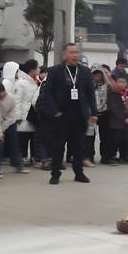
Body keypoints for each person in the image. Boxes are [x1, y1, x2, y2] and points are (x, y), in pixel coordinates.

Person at [43, 43, 97, 185]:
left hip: (80, 114)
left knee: (79, 145)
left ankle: (78, 173)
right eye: (71, 53)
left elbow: (90, 93)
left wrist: (94, 112)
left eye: (76, 53)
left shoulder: (85, 71)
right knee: (58, 145)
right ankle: (55, 173)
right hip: (62, 114)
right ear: (64, 55)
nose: (75, 55)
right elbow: (47, 92)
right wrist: (54, 110)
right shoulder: (55, 71)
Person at [0, 82, 29, 178]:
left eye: (3, 91)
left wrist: (3, 129)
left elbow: (11, 116)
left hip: (10, 123)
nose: (1, 94)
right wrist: (0, 133)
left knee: (14, 144)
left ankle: (18, 165)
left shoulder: (10, 98)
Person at [15, 59, 39, 163]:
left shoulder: (33, 82)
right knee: (23, 139)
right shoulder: (21, 83)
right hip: (24, 116)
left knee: (33, 138)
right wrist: (18, 117)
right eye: (37, 67)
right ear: (32, 69)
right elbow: (17, 101)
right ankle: (22, 158)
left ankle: (33, 157)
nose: (39, 69)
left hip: (32, 116)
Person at [107, 74, 128, 164]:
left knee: (126, 140)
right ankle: (112, 157)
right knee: (115, 140)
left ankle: (125, 156)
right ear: (116, 82)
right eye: (119, 82)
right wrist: (123, 117)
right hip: (116, 121)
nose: (121, 84)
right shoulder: (113, 93)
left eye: (123, 82)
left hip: (127, 121)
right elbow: (113, 107)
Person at [89, 67, 112, 166]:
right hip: (92, 113)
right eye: (94, 75)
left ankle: (105, 157)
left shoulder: (108, 86)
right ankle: (90, 156)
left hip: (104, 113)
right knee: (90, 136)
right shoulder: (89, 86)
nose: (96, 77)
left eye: (98, 74)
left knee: (105, 137)